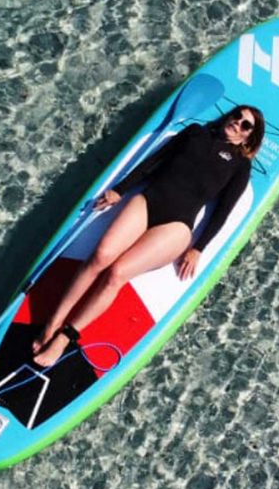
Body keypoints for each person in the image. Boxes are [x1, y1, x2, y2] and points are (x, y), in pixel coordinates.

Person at [32, 104, 265, 367]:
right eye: (237, 116)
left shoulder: (239, 166)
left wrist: (199, 247)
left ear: (249, 137)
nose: (238, 123)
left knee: (117, 273)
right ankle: (52, 323)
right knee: (100, 256)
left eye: (246, 125)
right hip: (147, 201)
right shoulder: (194, 133)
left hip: (176, 226)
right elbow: (152, 164)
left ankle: (65, 337)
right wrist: (120, 190)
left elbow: (221, 212)